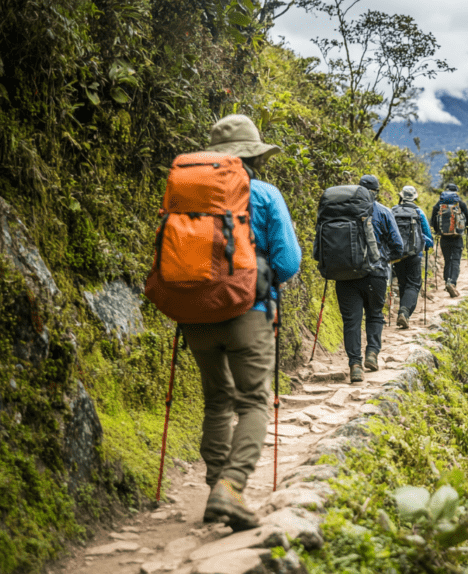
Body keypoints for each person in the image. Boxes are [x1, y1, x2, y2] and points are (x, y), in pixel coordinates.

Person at [180, 114, 301, 531]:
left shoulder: (189, 191)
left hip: (194, 312)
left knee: (217, 400)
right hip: (248, 312)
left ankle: (217, 485)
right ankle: (230, 488)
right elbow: (288, 262)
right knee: (253, 400)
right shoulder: (265, 193)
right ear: (254, 155)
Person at [334, 174, 404, 382]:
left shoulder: (341, 211)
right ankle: (372, 353)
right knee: (374, 314)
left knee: (351, 321)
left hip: (345, 274)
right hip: (376, 274)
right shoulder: (383, 211)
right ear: (377, 191)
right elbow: (398, 246)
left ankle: (355, 365)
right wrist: (383, 260)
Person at [392, 186, 434, 329]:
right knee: (414, 284)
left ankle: (403, 313)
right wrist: (427, 244)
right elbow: (428, 238)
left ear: (401, 196)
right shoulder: (418, 212)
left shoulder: (393, 211)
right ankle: (404, 311)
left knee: (402, 284)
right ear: (414, 197)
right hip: (414, 255)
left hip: (397, 255)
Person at [430, 183, 468, 297]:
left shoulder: (439, 204)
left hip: (444, 238)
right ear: (456, 192)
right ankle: (452, 283)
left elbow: (433, 222)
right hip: (457, 238)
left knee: (447, 261)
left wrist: (438, 231)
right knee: (455, 260)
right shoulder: (460, 204)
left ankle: (447, 282)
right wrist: (464, 225)